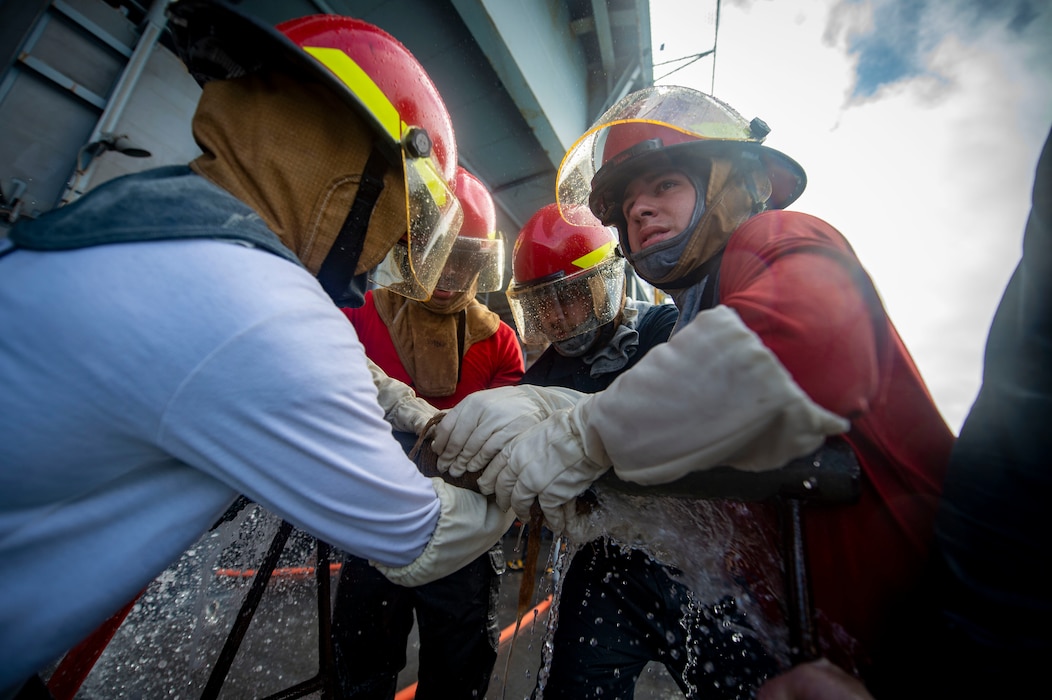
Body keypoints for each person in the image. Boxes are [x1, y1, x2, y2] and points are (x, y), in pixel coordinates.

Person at [0, 2, 516, 696]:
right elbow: (417, 535)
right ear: (355, 174)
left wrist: (420, 416)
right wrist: (532, 478)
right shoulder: (262, 308)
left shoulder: (158, 223)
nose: (385, 262)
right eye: (401, 217)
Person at [432, 85, 955, 693]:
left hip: (937, 636)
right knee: (610, 570)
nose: (640, 212)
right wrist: (560, 418)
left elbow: (800, 345)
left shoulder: (777, 236)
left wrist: (584, 433)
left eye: (665, 185)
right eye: (628, 206)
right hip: (808, 631)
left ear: (732, 183)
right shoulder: (694, 319)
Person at [330, 167, 523, 699]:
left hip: (466, 539)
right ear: (410, 250)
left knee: (457, 677)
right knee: (359, 671)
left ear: (483, 263)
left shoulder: (500, 340)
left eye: (464, 260)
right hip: (376, 524)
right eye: (437, 255)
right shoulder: (361, 310)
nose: (449, 275)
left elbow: (508, 440)